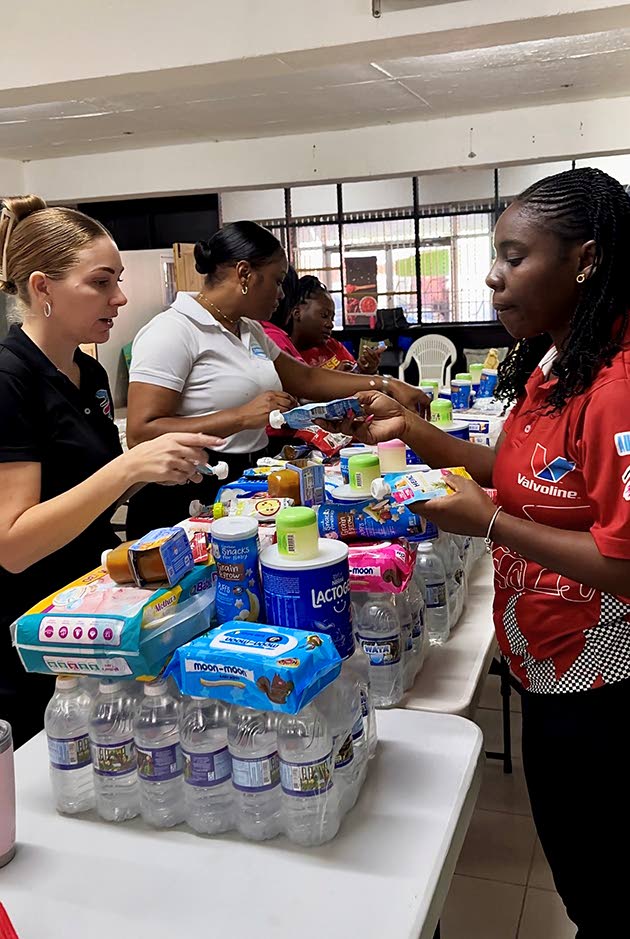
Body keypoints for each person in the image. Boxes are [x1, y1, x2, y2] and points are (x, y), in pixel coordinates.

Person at [341, 167, 630, 938]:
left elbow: (626, 563)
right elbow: (518, 474)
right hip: (548, 657)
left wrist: (491, 526)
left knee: (602, 881)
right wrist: (414, 435)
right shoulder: (558, 362)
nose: (492, 277)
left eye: (513, 256)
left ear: (587, 260)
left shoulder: (617, 387)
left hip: (602, 680)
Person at [0, 196, 223, 747]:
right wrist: (126, 469)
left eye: (118, 280)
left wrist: (161, 465)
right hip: (32, 629)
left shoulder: (90, 373)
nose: (120, 297)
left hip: (91, 608)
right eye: (101, 282)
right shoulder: (9, 379)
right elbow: (13, 545)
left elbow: (83, 489)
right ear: (41, 288)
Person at [126, 221, 427, 536]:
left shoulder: (248, 329)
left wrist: (387, 385)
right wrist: (240, 418)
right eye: (277, 281)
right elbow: (141, 432)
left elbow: (308, 380)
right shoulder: (173, 330)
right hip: (184, 490)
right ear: (245, 274)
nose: (282, 294)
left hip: (240, 481)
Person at [288, 275, 382, 373]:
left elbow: (356, 376)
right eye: (324, 316)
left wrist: (366, 370)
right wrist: (336, 379)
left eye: (332, 318)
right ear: (297, 313)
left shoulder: (331, 345)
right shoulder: (285, 355)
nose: (330, 325)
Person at [260, 265, 306, 363]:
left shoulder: (256, 329)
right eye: (278, 283)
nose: (282, 294)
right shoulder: (274, 337)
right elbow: (303, 377)